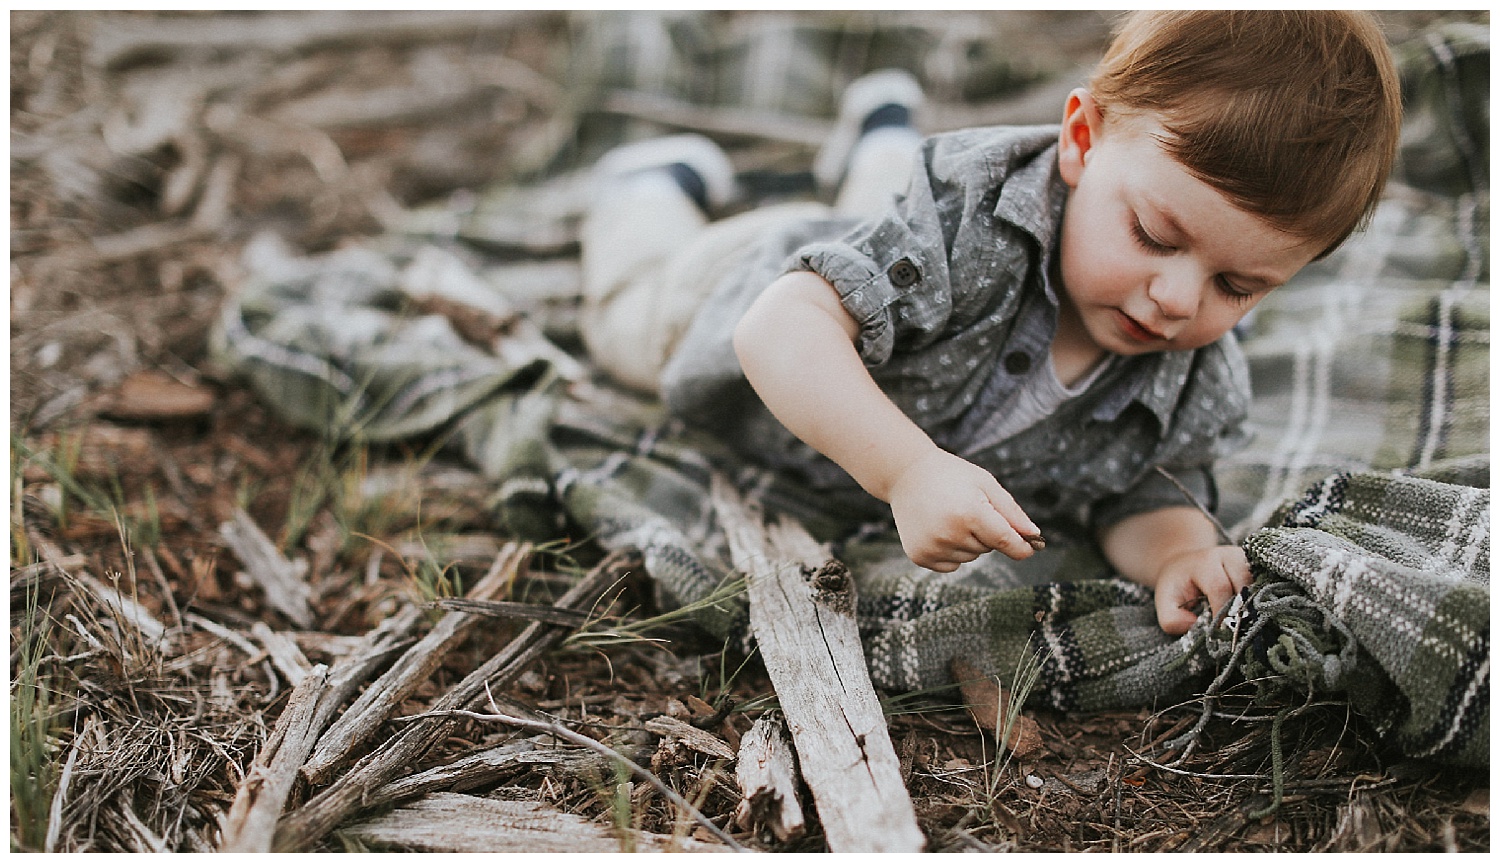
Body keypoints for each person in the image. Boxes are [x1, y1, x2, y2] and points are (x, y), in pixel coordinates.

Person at [578, 11, 1402, 714]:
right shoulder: (971, 227)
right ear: (1081, 139)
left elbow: (1144, 486)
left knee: (870, 217)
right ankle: (648, 184)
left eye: (1238, 286)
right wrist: (905, 470)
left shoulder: (1190, 377)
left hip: (882, 257)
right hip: (726, 291)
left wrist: (1178, 554)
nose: (1179, 299)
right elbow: (778, 328)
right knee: (625, 309)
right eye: (1154, 235)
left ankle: (878, 138)